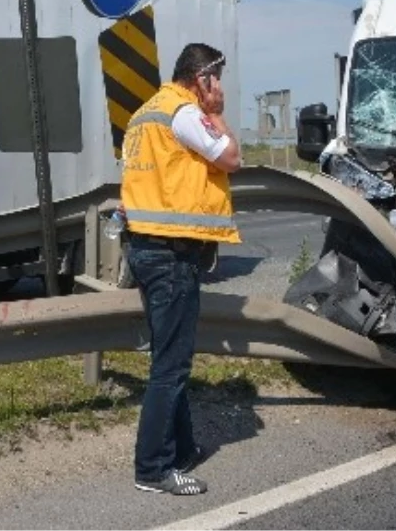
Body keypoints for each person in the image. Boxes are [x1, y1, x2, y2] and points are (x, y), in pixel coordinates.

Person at [119, 42, 242, 496]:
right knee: (170, 367)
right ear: (202, 78)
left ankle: (182, 448)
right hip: (171, 255)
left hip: (147, 248)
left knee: (169, 358)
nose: (220, 88)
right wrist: (219, 115)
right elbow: (231, 158)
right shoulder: (185, 113)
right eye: (217, 79)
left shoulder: (143, 114)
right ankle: (152, 468)